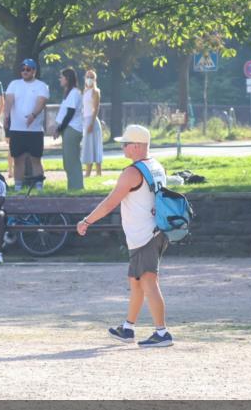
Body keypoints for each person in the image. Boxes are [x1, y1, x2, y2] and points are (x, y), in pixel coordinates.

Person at [76, 125, 174, 348]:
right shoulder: (156, 165)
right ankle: (128, 328)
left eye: (126, 144)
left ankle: (162, 333)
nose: (123, 147)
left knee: (148, 281)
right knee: (136, 281)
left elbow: (110, 202)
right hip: (155, 232)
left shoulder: (132, 172)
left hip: (144, 235)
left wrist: (87, 221)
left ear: (137, 146)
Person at [5, 59, 49, 190]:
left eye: (28, 69)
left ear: (34, 71)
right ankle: (18, 187)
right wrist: (6, 115)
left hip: (35, 130)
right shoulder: (14, 84)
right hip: (16, 129)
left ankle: (39, 187)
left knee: (36, 159)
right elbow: (9, 100)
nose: (25, 71)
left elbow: (41, 102)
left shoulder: (41, 86)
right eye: (23, 69)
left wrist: (33, 115)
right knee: (18, 159)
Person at [53, 68, 84, 191]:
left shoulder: (74, 93)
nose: (60, 79)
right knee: (68, 160)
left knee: (71, 160)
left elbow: (70, 113)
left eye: (62, 77)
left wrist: (59, 128)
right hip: (69, 129)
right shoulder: (69, 93)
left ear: (67, 79)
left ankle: (76, 187)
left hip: (72, 129)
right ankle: (72, 187)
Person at [81, 69, 104, 177]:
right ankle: (88, 173)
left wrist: (91, 123)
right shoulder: (84, 91)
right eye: (87, 77)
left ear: (95, 79)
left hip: (92, 121)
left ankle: (97, 173)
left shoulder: (96, 92)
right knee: (87, 146)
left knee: (94, 146)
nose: (89, 79)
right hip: (85, 120)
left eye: (91, 77)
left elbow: (96, 108)